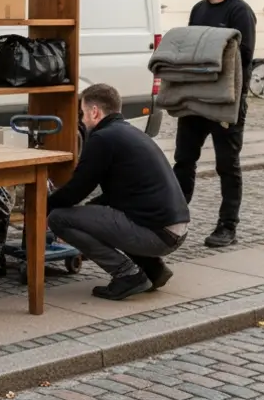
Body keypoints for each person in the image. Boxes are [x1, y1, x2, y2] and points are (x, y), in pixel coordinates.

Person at [48, 84, 190, 300]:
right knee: (92, 213)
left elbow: (76, 190)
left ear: (94, 112)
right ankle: (154, 269)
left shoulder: (103, 138)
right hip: (172, 229)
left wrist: (41, 206)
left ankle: (127, 275)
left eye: (83, 113)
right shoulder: (129, 132)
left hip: (158, 234)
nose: (82, 120)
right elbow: (118, 195)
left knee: (59, 218)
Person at [173, 0, 256, 248]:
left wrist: (210, 59)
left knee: (227, 165)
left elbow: (243, 58)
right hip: (195, 99)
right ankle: (174, 218)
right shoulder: (198, 10)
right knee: (184, 160)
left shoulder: (240, 12)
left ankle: (227, 227)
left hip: (226, 101)